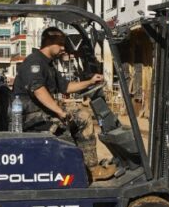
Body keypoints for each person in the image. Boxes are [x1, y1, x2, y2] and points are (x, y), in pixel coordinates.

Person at [12, 27, 113, 180]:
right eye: (60, 44)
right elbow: (38, 90)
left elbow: (66, 87)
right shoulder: (34, 62)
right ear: (48, 42)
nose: (63, 48)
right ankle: (87, 170)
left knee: (83, 116)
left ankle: (87, 168)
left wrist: (90, 81)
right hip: (31, 116)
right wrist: (60, 111)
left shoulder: (48, 64)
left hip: (41, 112)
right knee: (78, 120)